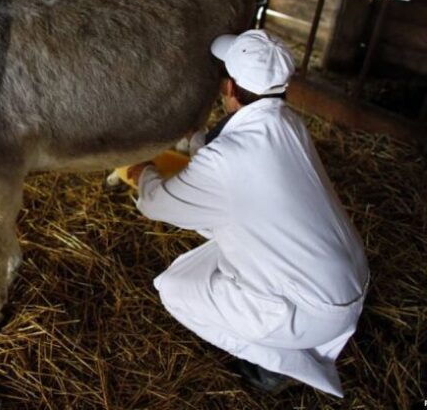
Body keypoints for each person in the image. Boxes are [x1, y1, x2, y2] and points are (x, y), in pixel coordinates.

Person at [126, 29, 369, 397]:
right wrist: (195, 139)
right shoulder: (290, 124)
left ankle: (274, 366)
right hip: (348, 280)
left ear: (229, 89)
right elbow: (230, 149)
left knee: (173, 289)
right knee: (209, 254)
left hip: (311, 310)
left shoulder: (225, 160)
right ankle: (289, 340)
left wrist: (140, 172)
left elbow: (157, 204)